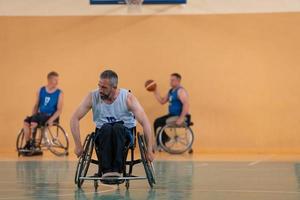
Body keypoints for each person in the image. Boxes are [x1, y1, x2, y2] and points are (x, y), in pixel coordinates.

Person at [70, 70, 154, 178]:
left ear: (114, 87)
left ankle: (117, 169)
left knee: (118, 128)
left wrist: (149, 150)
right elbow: (74, 118)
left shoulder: (127, 98)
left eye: (104, 87)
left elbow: (145, 122)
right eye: (99, 86)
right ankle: (106, 170)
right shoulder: (93, 96)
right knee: (106, 128)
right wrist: (78, 145)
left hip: (125, 132)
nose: (100, 90)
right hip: (103, 132)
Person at [22, 71, 64, 151]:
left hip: (51, 116)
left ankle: (35, 144)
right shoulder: (41, 90)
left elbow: (59, 110)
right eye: (55, 80)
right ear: (49, 80)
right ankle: (28, 144)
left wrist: (51, 120)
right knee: (26, 122)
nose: (57, 82)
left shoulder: (59, 93)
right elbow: (36, 105)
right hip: (40, 115)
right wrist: (33, 115)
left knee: (35, 122)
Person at [152, 73, 189, 145]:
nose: (171, 81)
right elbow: (162, 101)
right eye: (170, 80)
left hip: (179, 116)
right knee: (157, 122)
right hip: (171, 115)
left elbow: (186, 104)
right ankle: (163, 140)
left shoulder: (180, 91)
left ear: (178, 81)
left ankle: (163, 141)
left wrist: (181, 118)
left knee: (159, 122)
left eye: (173, 80)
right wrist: (155, 91)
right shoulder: (171, 91)